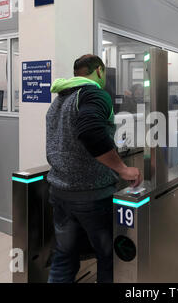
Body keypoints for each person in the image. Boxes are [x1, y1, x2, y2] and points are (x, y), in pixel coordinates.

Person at [46, 54, 143, 283]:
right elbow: (90, 131)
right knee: (107, 256)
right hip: (92, 195)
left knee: (64, 256)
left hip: (60, 192)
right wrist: (122, 169)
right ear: (99, 71)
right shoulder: (94, 94)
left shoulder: (59, 100)